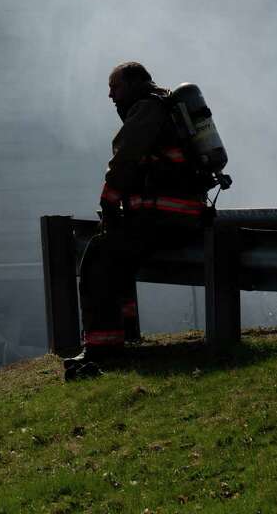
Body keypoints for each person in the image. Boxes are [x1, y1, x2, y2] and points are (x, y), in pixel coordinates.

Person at [65, 62, 209, 379]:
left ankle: (103, 348)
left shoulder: (147, 109)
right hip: (178, 217)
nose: (110, 95)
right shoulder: (165, 108)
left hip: (165, 218)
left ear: (133, 84)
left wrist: (108, 199)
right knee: (117, 258)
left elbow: (126, 158)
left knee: (98, 258)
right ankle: (125, 334)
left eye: (115, 87)